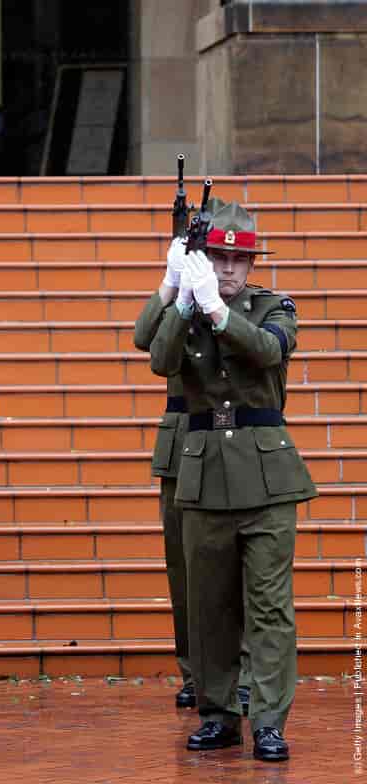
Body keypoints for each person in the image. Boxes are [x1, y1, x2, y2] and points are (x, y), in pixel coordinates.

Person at [148, 202, 317, 762]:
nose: (228, 269)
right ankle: (219, 714)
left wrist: (219, 313)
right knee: (209, 605)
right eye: (218, 258)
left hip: (267, 475)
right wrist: (177, 293)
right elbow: (156, 355)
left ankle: (268, 720)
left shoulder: (273, 307)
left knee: (268, 607)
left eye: (238, 260)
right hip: (202, 473)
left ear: (251, 264)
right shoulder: (192, 306)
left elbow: (270, 350)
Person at [133, 202, 251, 715]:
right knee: (185, 571)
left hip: (230, 438)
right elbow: (143, 339)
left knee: (238, 570)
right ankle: (195, 670)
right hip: (181, 441)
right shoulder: (185, 291)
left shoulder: (237, 301)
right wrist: (170, 282)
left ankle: (241, 672)